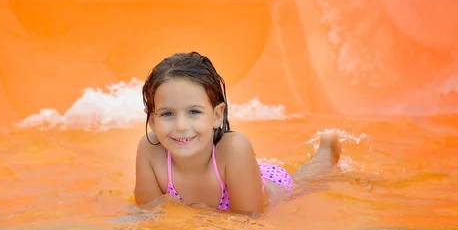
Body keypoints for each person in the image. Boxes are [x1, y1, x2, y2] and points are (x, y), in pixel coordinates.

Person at [134, 51, 342, 214]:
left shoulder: (234, 148)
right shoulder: (150, 150)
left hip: (271, 185)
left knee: (306, 182)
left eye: (194, 112)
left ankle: (326, 152)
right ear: (152, 120)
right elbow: (149, 215)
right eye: (167, 114)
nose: (180, 126)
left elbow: (250, 220)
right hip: (239, 173)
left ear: (217, 115)